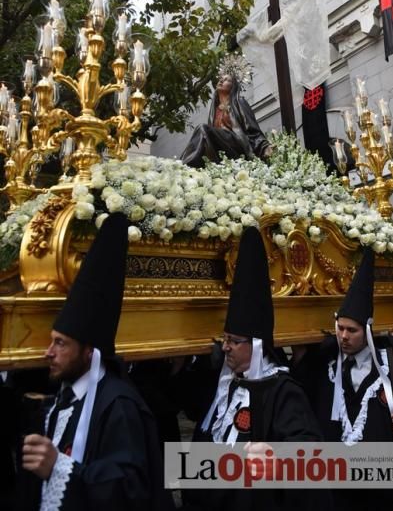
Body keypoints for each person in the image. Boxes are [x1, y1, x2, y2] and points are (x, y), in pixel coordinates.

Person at [21, 212, 174, 511]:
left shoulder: (119, 404)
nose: (48, 352)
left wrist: (59, 467)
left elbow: (129, 489)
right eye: (51, 341)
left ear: (89, 352)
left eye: (60, 343)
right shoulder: (65, 398)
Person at [184, 226, 326, 511]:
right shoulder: (226, 382)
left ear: (257, 346)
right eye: (224, 340)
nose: (225, 348)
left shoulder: (283, 392)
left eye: (234, 342)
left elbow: (309, 453)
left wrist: (278, 457)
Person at [293, 247, 393, 511]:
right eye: (340, 328)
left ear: (366, 331)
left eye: (351, 330)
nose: (343, 336)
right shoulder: (325, 370)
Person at [181, 57, 272, 167]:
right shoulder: (214, 109)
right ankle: (191, 166)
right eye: (221, 79)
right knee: (204, 136)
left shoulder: (239, 102)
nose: (221, 81)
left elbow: (252, 129)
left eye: (227, 80)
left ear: (233, 86)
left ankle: (182, 165)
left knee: (202, 128)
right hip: (220, 148)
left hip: (236, 145)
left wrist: (264, 147)